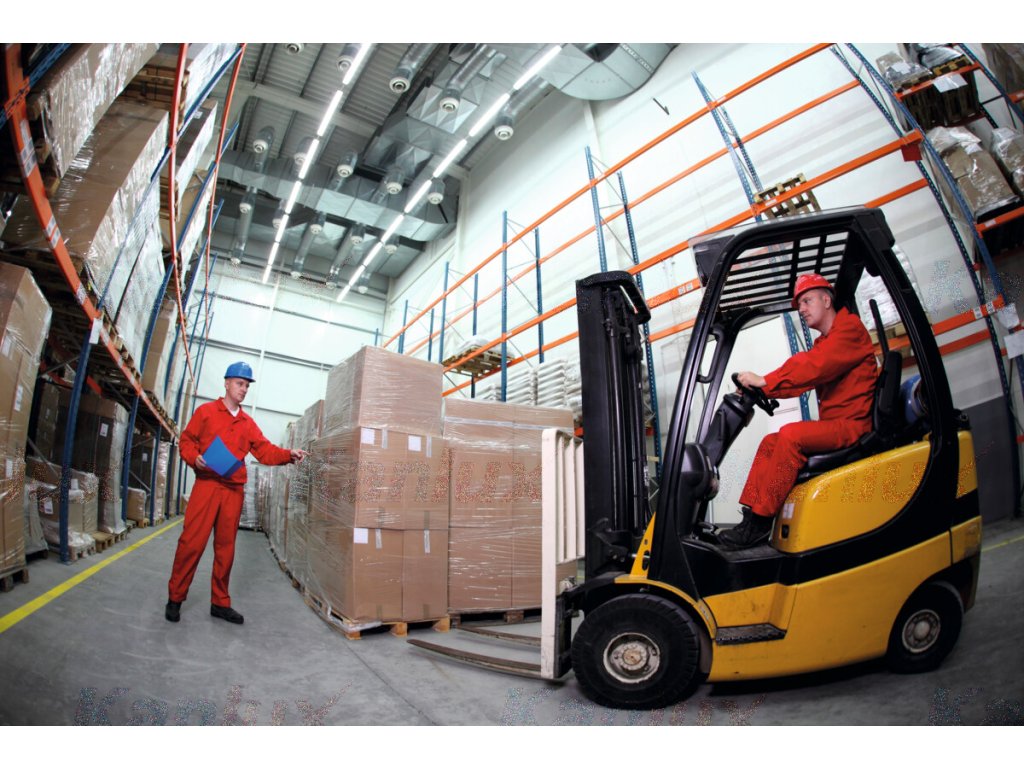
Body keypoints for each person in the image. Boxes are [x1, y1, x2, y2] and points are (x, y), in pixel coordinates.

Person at [718, 274, 878, 550]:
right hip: (835, 424)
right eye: (799, 304)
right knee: (771, 442)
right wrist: (762, 389)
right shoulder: (825, 342)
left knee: (791, 435)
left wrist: (765, 380)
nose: (801, 309)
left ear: (826, 300)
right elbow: (802, 380)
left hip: (851, 425)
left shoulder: (849, 330)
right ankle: (752, 517)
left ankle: (761, 521)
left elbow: (813, 367)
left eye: (806, 301)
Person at [165, 362, 307, 624]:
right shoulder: (206, 412)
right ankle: (175, 598)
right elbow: (186, 441)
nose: (244, 389)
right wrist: (194, 458)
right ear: (227, 383)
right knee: (191, 543)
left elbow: (265, 451)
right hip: (207, 486)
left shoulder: (247, 423)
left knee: (226, 548)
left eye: (247, 386)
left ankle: (220, 603)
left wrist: (289, 454)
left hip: (232, 490)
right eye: (240, 384)